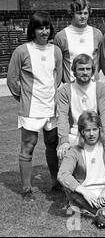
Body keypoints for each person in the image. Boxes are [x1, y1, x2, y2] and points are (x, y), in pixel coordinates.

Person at [7, 11, 63, 200]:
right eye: (40, 28)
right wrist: (22, 98)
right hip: (31, 109)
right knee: (28, 146)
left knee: (52, 145)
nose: (44, 31)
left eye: (47, 27)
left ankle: (56, 183)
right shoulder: (22, 51)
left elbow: (59, 77)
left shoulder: (55, 50)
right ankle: (26, 189)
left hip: (51, 109)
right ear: (33, 30)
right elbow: (12, 80)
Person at [58, 110, 105, 229]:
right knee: (69, 187)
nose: (92, 134)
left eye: (95, 129)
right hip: (85, 196)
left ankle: (100, 214)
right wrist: (86, 192)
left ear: (100, 129)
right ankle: (103, 214)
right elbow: (63, 174)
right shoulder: (75, 150)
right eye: (87, 130)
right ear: (82, 132)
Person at [57, 54, 105, 159]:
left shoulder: (100, 88)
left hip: (95, 133)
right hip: (74, 134)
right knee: (64, 153)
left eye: (88, 69)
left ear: (92, 70)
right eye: (81, 69)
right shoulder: (66, 90)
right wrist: (64, 141)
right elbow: (62, 116)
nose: (85, 72)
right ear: (74, 71)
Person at [53, 0, 103, 83]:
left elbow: (101, 61)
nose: (83, 16)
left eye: (85, 13)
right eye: (79, 13)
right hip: (70, 86)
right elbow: (57, 66)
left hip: (93, 85)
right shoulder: (61, 36)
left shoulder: (97, 34)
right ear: (72, 13)